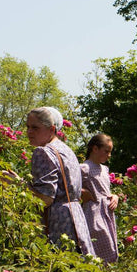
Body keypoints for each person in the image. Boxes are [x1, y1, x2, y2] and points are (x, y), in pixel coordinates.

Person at [25, 107, 95, 256]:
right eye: (28, 127)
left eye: (35, 128)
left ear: (51, 129)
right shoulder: (66, 150)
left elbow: (45, 199)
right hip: (75, 218)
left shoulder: (43, 152)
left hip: (57, 223)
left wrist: (16, 184)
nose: (29, 132)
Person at [80, 134, 119, 264]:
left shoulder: (104, 169)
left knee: (111, 247)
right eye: (106, 151)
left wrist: (115, 196)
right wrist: (81, 192)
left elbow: (105, 190)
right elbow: (68, 187)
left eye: (110, 152)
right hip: (93, 213)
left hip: (107, 213)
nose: (109, 155)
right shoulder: (83, 168)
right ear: (95, 149)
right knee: (99, 247)